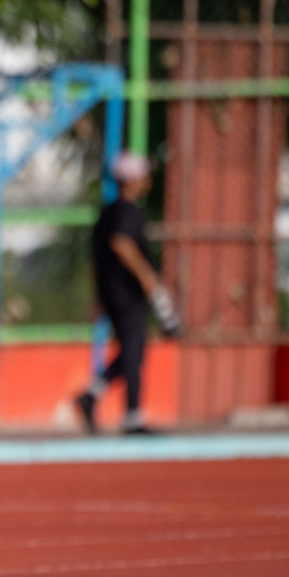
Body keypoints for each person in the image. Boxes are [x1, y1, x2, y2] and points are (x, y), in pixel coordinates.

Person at [75, 151, 180, 435]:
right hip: (127, 294)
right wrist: (148, 278)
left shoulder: (106, 212)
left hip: (112, 292)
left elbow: (96, 257)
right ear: (133, 181)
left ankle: (91, 394)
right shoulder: (126, 211)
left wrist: (98, 295)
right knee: (134, 352)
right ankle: (131, 416)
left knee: (133, 352)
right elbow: (122, 244)